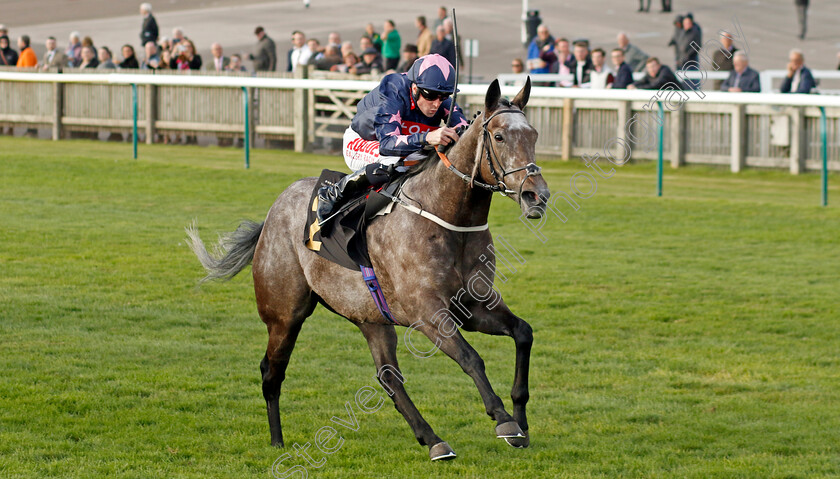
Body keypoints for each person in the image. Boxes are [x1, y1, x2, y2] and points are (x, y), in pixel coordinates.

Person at [316, 53, 469, 223]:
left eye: (444, 96)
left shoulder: (438, 97)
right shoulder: (393, 89)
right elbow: (388, 144)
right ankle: (333, 193)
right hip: (364, 143)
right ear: (415, 88)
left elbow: (463, 131)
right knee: (393, 158)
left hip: (404, 146)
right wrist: (427, 137)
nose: (437, 103)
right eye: (431, 95)